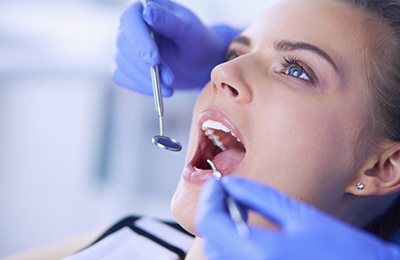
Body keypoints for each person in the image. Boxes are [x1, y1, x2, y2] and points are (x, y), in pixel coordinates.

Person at [112, 0, 400, 259]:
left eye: (296, 70)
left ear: (383, 167)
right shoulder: (127, 238)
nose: (221, 72)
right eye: (233, 53)